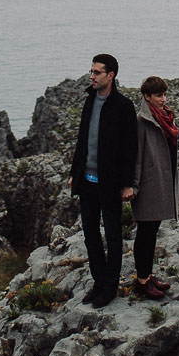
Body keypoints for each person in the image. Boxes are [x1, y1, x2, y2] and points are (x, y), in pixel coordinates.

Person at [68, 53, 137, 307]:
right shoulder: (89, 100)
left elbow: (131, 148)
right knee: (90, 234)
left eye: (97, 72)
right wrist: (74, 173)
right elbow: (82, 139)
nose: (92, 76)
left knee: (113, 235)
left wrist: (128, 184)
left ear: (111, 75)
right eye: (91, 71)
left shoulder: (123, 106)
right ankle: (98, 282)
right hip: (86, 181)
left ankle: (110, 286)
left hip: (110, 183)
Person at [130, 75, 179, 299]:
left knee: (151, 232)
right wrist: (134, 186)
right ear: (146, 96)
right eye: (159, 95)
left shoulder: (163, 117)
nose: (163, 99)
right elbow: (135, 156)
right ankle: (142, 281)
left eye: (164, 94)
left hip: (160, 180)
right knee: (145, 233)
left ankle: (148, 276)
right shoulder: (141, 120)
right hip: (148, 183)